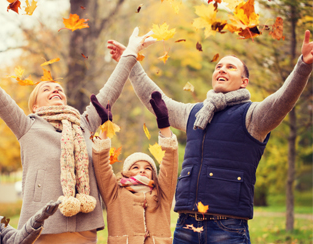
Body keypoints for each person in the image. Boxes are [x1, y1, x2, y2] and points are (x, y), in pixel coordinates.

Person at [0, 24, 156, 243]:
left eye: (58, 88)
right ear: (35, 107)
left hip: (85, 228)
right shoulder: (27, 126)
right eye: (46, 89)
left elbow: (110, 91)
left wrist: (130, 53)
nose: (55, 90)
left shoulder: (84, 124)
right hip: (41, 228)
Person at [107, 30, 313, 243]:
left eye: (230, 67)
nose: (222, 69)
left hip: (228, 228)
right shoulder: (194, 112)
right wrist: (131, 61)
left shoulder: (253, 116)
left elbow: (282, 101)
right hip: (186, 225)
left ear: (244, 82)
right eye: (218, 66)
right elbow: (157, 101)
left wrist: (303, 66)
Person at [89, 91, 178, 244]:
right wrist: (106, 127)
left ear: (154, 175)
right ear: (126, 173)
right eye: (135, 167)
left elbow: (169, 163)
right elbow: (101, 164)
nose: (142, 170)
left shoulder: (162, 194)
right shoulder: (114, 193)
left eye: (148, 168)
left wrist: (164, 124)